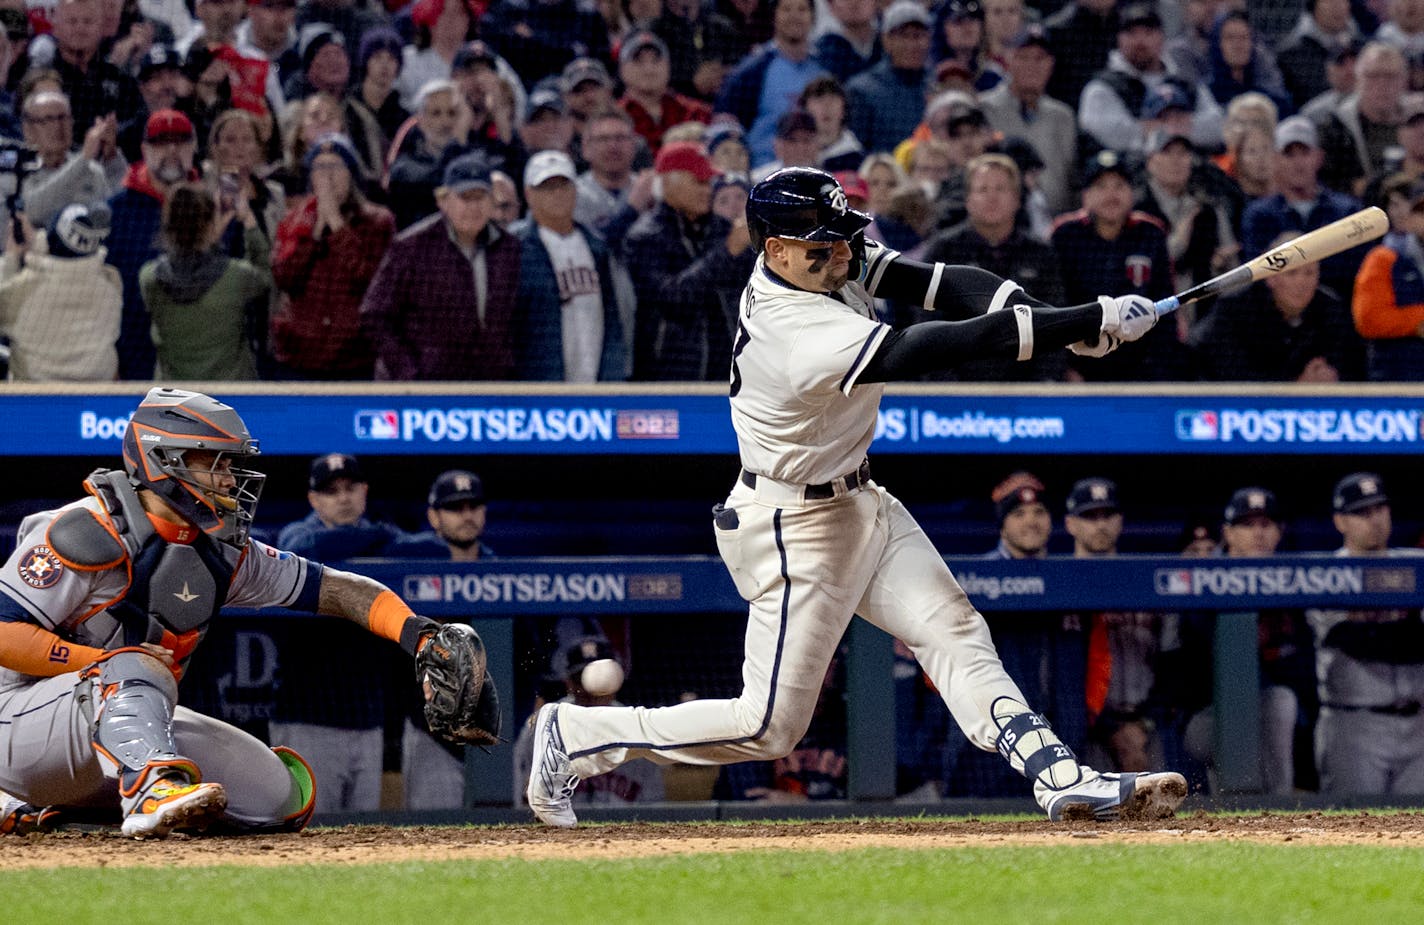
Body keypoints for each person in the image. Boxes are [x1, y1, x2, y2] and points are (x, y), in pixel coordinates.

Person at [525, 165, 1185, 827]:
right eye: (822, 242)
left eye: (842, 236)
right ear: (774, 249)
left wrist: (1058, 322)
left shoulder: (821, 261)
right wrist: (1085, 318)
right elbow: (933, 345)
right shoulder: (794, 327)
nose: (841, 251)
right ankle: (576, 736)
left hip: (859, 499)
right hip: (792, 525)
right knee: (767, 727)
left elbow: (942, 284)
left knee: (953, 630)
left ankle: (1058, 776)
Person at [0, 388, 492, 837]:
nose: (230, 479)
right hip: (16, 726)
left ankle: (72, 806)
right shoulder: (82, 529)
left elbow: (336, 590)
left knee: (276, 797)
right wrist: (95, 662)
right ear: (163, 462)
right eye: (215, 463)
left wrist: (418, 634)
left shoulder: (220, 550)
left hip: (105, 732)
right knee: (133, 664)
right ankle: (145, 789)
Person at [269, 452, 409, 815]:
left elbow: (427, 548)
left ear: (364, 490)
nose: (343, 498)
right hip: (308, 719)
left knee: (360, 833)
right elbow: (300, 548)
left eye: (350, 488)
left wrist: (372, 537)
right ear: (314, 499)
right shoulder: (299, 534)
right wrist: (373, 537)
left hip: (367, 719)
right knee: (308, 825)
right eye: (331, 491)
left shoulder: (383, 536)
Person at [1306, 473, 1424, 795]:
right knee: (1351, 825)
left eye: (1379, 509)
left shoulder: (1417, 565)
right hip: (1355, 724)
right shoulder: (1323, 574)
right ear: (1340, 521)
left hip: (1419, 725)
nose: (1374, 520)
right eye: (1362, 513)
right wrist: (1410, 629)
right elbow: (1354, 640)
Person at [362, 151, 522, 381]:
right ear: (443, 201)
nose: (474, 206)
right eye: (465, 197)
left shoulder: (509, 249)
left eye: (481, 197)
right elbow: (375, 314)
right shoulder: (411, 247)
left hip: (489, 389)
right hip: (425, 390)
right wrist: (407, 370)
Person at [917, 152, 1066, 382]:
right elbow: (927, 329)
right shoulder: (943, 251)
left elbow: (1055, 326)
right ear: (968, 199)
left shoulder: (1041, 254)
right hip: (954, 393)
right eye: (982, 189)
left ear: (1017, 199)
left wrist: (1042, 387)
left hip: (1027, 394)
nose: (992, 197)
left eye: (1001, 189)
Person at [1066, 477, 1179, 774]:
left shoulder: (1146, 582)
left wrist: (1144, 724)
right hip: (1084, 726)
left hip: (1145, 724)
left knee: (1163, 804)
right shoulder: (1062, 585)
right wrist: (1110, 728)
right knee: (1087, 812)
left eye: (1108, 516)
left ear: (1120, 522)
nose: (1100, 525)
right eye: (1090, 516)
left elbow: (1171, 666)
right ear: (1070, 524)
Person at [623, 140, 755, 379]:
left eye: (709, 181)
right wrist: (726, 253)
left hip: (727, 374)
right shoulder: (645, 237)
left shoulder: (723, 230)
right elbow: (673, 299)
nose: (707, 189)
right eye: (699, 181)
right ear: (668, 182)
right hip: (668, 377)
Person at [270, 132, 396, 380]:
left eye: (335, 167)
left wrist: (337, 225)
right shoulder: (293, 220)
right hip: (300, 356)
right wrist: (315, 232)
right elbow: (285, 278)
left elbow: (371, 281)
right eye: (319, 168)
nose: (327, 176)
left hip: (354, 358)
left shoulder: (378, 221)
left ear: (351, 173)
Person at [1050, 149, 1184, 381]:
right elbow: (1053, 305)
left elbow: (1166, 306)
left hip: (1143, 365)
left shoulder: (1151, 232)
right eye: (1101, 186)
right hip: (1080, 361)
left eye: (1119, 186)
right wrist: (1064, 368)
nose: (1111, 195)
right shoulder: (1065, 234)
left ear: (1132, 193)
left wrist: (1161, 372)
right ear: (1085, 195)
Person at [511, 150, 630, 382]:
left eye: (563, 186)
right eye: (546, 188)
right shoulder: (517, 250)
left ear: (575, 190)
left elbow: (613, 318)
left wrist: (613, 377)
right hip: (540, 387)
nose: (557, 194)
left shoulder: (597, 248)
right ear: (529, 194)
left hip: (596, 381)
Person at [1190, 230, 1364, 381]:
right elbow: (1229, 376)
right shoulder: (1234, 308)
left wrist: (1332, 377)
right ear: (1270, 276)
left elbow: (1352, 366)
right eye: (1292, 273)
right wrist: (1293, 387)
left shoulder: (1331, 308)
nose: (1301, 282)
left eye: (1309, 273)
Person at [140, 180, 272, 381]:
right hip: (231, 398)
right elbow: (264, 275)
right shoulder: (235, 275)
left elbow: (191, 261)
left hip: (175, 400)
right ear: (210, 224)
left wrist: (209, 234)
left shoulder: (149, 277)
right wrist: (249, 221)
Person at [515, 637, 666, 808]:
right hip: (557, 832)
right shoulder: (542, 727)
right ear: (568, 683)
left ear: (617, 680)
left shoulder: (636, 730)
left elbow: (654, 806)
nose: (591, 690)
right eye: (581, 679)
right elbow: (523, 801)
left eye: (602, 679)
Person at [107, 107, 200, 380]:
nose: (172, 150)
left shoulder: (212, 207)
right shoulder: (116, 212)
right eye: (160, 142)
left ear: (194, 147)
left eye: (181, 141)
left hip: (199, 354)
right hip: (133, 350)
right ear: (144, 149)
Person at [1240, 116, 1366, 308]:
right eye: (1289, 154)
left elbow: (1356, 273)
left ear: (1318, 157)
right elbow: (1259, 276)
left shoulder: (1347, 211)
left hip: (1338, 317)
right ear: (1276, 159)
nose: (1298, 163)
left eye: (1304, 153)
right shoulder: (1259, 215)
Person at [0, 202, 122, 381]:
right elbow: (72, 264)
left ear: (50, 240)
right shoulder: (111, 282)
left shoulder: (24, 288)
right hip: (97, 398)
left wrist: (12, 257)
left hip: (35, 400)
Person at [978, 24, 1078, 217]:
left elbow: (1071, 179)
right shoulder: (984, 109)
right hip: (1002, 221)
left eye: (1040, 58)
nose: (1032, 65)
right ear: (1008, 60)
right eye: (1023, 57)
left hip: (1056, 223)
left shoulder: (1063, 116)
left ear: (1051, 64)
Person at [16, 89, 125, 231]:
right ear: (28, 129)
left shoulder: (92, 170)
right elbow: (33, 212)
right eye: (48, 119)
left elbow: (117, 217)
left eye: (62, 118)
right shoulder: (17, 170)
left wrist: (111, 156)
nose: (57, 126)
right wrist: (83, 159)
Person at [1353, 176, 1424, 380]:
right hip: (1396, 378)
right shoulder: (1382, 258)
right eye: (1394, 204)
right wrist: (1418, 320)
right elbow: (1369, 319)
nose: (1404, 213)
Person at [844, 0, 932, 157]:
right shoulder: (862, 90)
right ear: (886, 40)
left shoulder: (938, 84)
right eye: (903, 36)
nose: (912, 44)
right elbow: (857, 149)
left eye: (918, 36)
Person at [617, 29, 712, 154]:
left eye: (656, 60)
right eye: (638, 61)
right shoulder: (614, 118)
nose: (649, 69)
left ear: (668, 66)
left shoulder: (696, 113)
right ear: (622, 69)